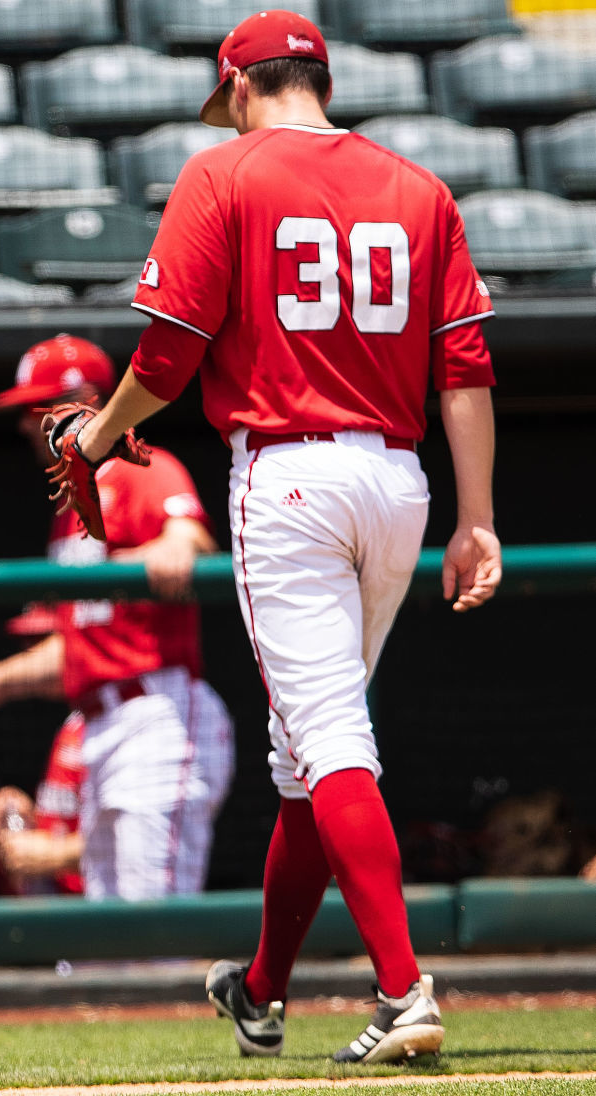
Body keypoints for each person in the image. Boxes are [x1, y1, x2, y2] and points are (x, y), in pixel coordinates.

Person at [58, 10, 501, 1063]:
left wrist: (95, 433)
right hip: (398, 482)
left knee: (331, 741)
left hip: (288, 474)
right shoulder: (418, 187)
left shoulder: (223, 173)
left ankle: (402, 991)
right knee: (304, 754)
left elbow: (166, 355)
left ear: (241, 87)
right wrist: (477, 516)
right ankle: (259, 989)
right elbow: (465, 367)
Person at [0, 335, 234, 903]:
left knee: (152, 933)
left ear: (82, 401)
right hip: (103, 722)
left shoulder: (133, 464)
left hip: (158, 713)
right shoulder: (73, 502)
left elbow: (191, 542)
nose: (23, 427)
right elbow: (85, 643)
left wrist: (168, 547)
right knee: (109, 938)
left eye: (34, 409)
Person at [0, 714, 87, 897]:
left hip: (100, 908)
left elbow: (143, 840)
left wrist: (56, 854)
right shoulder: (76, 719)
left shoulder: (132, 718)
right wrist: (29, 814)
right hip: (54, 899)